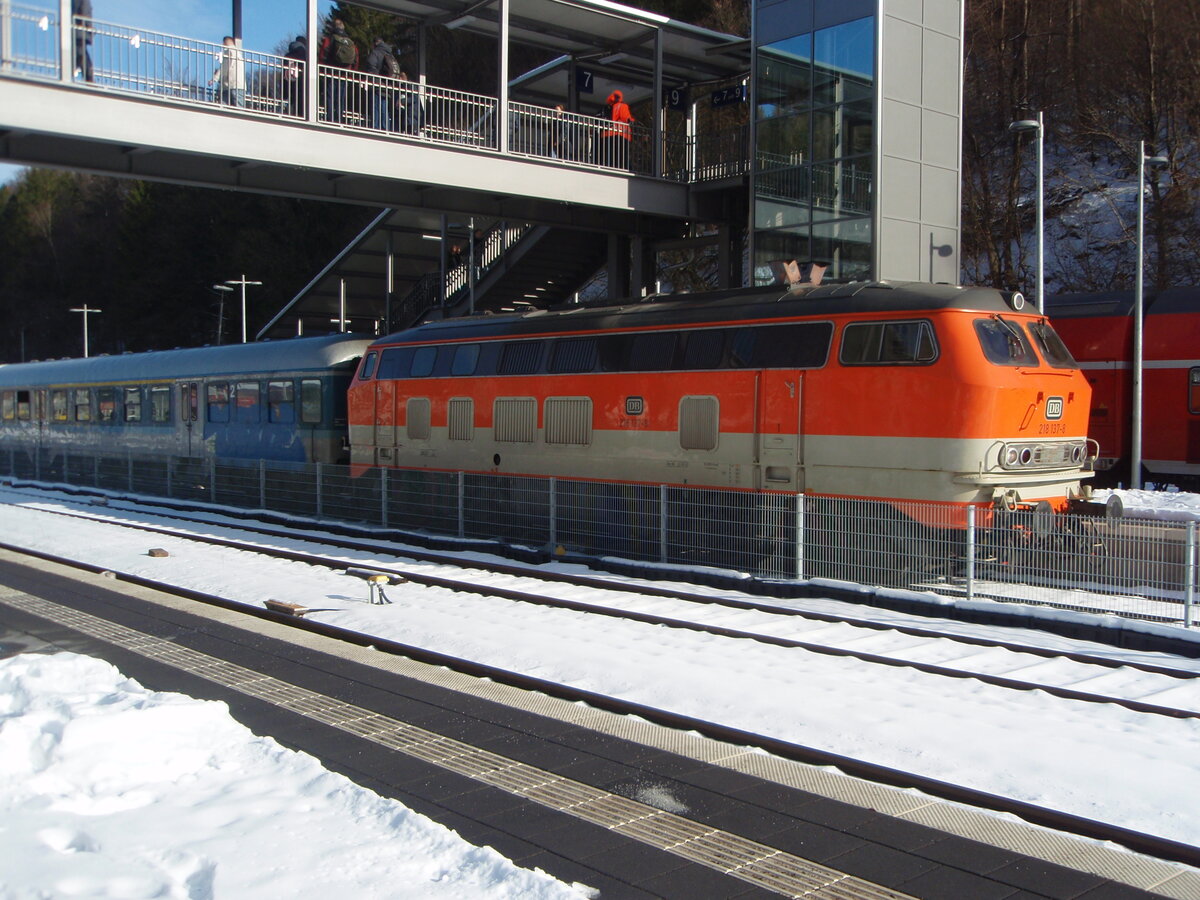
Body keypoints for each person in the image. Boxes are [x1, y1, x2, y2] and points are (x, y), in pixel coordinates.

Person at [319, 18, 358, 124]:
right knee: (341, 96)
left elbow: (323, 54)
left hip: (332, 71)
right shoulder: (350, 42)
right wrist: (352, 71)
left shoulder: (330, 39)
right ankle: (339, 118)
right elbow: (356, 58)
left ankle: (330, 118)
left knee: (330, 95)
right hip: (345, 73)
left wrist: (322, 68)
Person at [363, 37, 400, 131]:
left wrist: (370, 78)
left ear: (375, 43)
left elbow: (371, 65)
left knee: (376, 106)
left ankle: (376, 127)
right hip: (387, 84)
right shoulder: (390, 54)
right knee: (384, 106)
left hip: (377, 83)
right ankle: (385, 127)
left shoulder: (375, 52)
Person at [602, 89, 635, 170]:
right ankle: (626, 169)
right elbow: (625, 116)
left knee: (610, 154)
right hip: (621, 133)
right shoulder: (622, 106)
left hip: (608, 134)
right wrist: (630, 120)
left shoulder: (607, 108)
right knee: (622, 155)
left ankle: (609, 167)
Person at [211, 36, 245, 108]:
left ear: (225, 42)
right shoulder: (237, 53)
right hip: (237, 84)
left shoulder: (229, 52)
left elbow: (224, 67)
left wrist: (215, 78)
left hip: (231, 84)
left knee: (225, 105)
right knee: (238, 107)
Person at [284, 35, 307, 117]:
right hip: (300, 80)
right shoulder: (304, 55)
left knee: (291, 99)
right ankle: (300, 115)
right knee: (300, 100)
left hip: (289, 79)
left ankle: (290, 114)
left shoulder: (288, 55)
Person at [72, 0, 93, 82]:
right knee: (82, 56)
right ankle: (89, 80)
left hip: (77, 33)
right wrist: (89, 28)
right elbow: (84, 13)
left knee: (80, 56)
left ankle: (88, 79)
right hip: (80, 33)